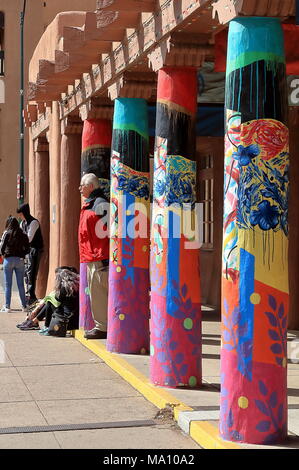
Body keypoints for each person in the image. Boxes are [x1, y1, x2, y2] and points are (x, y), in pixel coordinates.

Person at [78, 173, 109, 339]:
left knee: (99, 295)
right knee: (96, 295)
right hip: (92, 257)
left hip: (99, 258)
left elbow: (112, 230)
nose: (80, 189)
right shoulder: (92, 204)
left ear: (90, 186)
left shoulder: (100, 203)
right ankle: (101, 325)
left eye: (82, 185)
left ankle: (102, 327)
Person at [17, 266, 79, 335]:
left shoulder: (64, 289)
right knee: (49, 302)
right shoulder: (73, 287)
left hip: (66, 321)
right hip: (74, 319)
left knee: (49, 303)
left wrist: (40, 305)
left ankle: (41, 324)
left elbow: (57, 300)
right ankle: (36, 321)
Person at [16, 203, 44, 306]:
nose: (20, 216)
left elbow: (28, 238)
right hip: (27, 250)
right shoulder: (23, 223)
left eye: (21, 214)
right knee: (27, 273)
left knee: (32, 273)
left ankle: (32, 296)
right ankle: (29, 295)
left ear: (25, 213)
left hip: (35, 250)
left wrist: (21, 240)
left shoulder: (33, 222)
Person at [0, 216, 29, 312]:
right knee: (21, 284)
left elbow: (2, 247)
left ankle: (7, 306)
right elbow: (28, 248)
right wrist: (22, 255)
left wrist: (4, 255)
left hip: (8, 260)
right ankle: (24, 306)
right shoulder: (23, 234)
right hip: (19, 260)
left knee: (8, 285)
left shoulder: (6, 233)